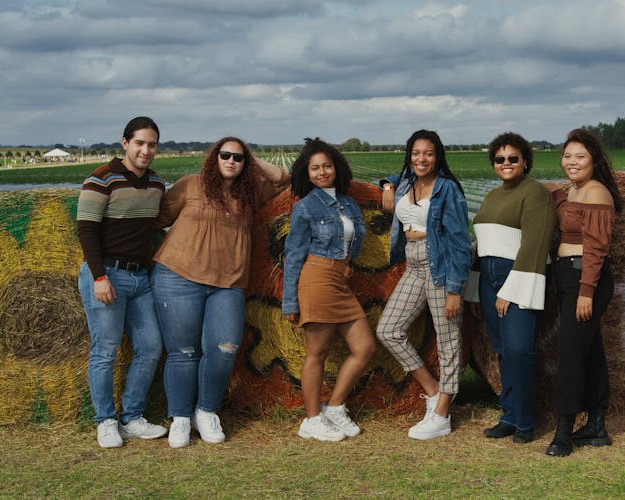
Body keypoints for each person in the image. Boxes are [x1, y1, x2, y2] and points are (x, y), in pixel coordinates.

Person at [151, 136, 289, 448]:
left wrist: (251, 162)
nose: (231, 161)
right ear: (214, 157)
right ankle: (181, 418)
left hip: (228, 284)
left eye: (238, 158)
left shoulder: (252, 193)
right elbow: (159, 218)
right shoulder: (191, 184)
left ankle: (207, 411)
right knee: (183, 351)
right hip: (178, 276)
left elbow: (283, 179)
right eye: (224, 155)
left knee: (225, 349)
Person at [77, 116, 168, 448]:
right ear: (125, 143)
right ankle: (105, 421)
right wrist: (99, 276)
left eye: (152, 144)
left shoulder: (157, 184)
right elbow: (86, 229)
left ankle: (131, 417)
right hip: (107, 274)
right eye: (140, 143)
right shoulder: (101, 179)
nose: (146, 150)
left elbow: (157, 223)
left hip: (140, 278)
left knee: (151, 347)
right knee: (105, 349)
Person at [376, 129, 471, 440]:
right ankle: (432, 390)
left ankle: (442, 413)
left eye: (428, 153)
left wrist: (456, 288)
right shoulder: (407, 181)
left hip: (440, 268)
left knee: (448, 342)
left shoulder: (448, 190)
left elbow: (458, 241)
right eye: (416, 153)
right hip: (413, 267)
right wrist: (387, 184)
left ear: (437, 155)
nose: (421, 159)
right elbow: (396, 175)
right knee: (388, 329)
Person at [282, 138, 376, 442]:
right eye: (315, 168)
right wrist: (289, 301)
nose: (322, 172)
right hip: (318, 278)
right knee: (317, 352)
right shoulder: (305, 207)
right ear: (306, 173)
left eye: (326, 166)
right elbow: (293, 255)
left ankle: (334, 407)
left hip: (341, 280)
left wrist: (386, 186)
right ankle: (311, 419)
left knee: (365, 348)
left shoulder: (348, 202)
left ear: (336, 168)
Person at [466, 132, 555, 444]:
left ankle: (526, 421)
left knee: (520, 349)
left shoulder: (535, 193)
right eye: (500, 159)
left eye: (512, 158)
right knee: (503, 351)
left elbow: (535, 244)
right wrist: (476, 290)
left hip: (517, 275)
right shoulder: (491, 196)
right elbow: (483, 246)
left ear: (525, 161)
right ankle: (509, 415)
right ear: (494, 164)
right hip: (489, 278)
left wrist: (509, 290)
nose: (506, 163)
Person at [545, 128, 620, 457]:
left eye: (580, 156)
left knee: (570, 353)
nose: (571, 162)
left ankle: (564, 430)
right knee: (589, 350)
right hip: (569, 278)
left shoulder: (596, 194)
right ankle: (597, 425)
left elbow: (596, 248)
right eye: (567, 155)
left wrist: (586, 292)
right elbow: (560, 202)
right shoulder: (574, 192)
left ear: (594, 160)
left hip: (585, 280)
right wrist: (555, 194)